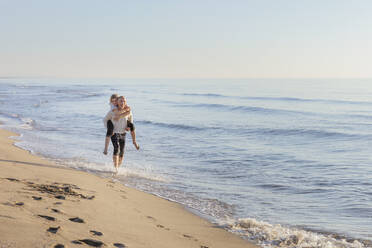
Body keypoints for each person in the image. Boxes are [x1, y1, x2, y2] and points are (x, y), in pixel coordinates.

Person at [103, 96, 138, 173]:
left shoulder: (128, 111)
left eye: (124, 101)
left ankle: (117, 167)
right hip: (114, 133)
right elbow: (105, 120)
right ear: (117, 102)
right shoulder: (113, 111)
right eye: (121, 101)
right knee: (116, 148)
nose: (122, 102)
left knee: (122, 152)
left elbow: (130, 119)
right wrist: (109, 129)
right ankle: (116, 169)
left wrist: (128, 127)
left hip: (123, 133)